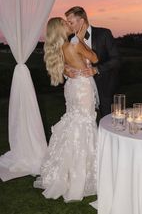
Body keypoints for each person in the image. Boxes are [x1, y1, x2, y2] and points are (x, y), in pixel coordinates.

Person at [34, 17, 98, 202]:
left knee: (73, 121)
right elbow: (94, 58)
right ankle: (82, 175)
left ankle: (65, 171)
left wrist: (67, 68)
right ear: (61, 29)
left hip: (71, 87)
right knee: (84, 123)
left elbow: (65, 67)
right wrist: (83, 41)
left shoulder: (58, 47)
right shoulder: (74, 44)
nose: (69, 24)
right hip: (82, 88)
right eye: (65, 23)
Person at [65, 6, 120, 118]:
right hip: (81, 90)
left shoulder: (104, 34)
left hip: (104, 87)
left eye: (71, 22)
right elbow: (63, 62)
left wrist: (96, 69)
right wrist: (66, 72)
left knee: (107, 121)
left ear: (81, 21)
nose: (68, 26)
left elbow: (117, 59)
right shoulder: (69, 39)